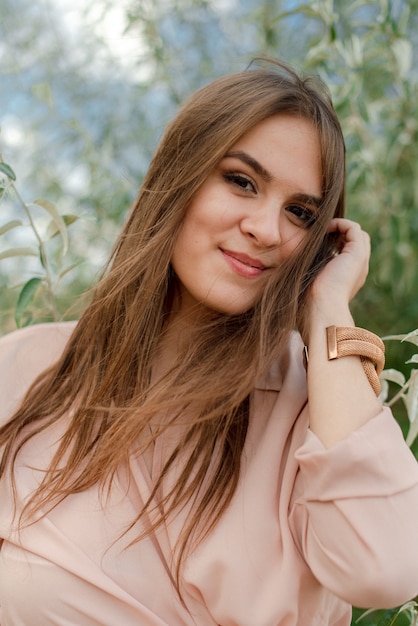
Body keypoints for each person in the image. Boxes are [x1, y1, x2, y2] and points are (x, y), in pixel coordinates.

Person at [0, 59, 417, 626]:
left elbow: (388, 571)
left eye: (300, 213)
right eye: (242, 181)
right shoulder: (27, 369)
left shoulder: (316, 406)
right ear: (178, 177)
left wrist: (327, 310)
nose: (267, 230)